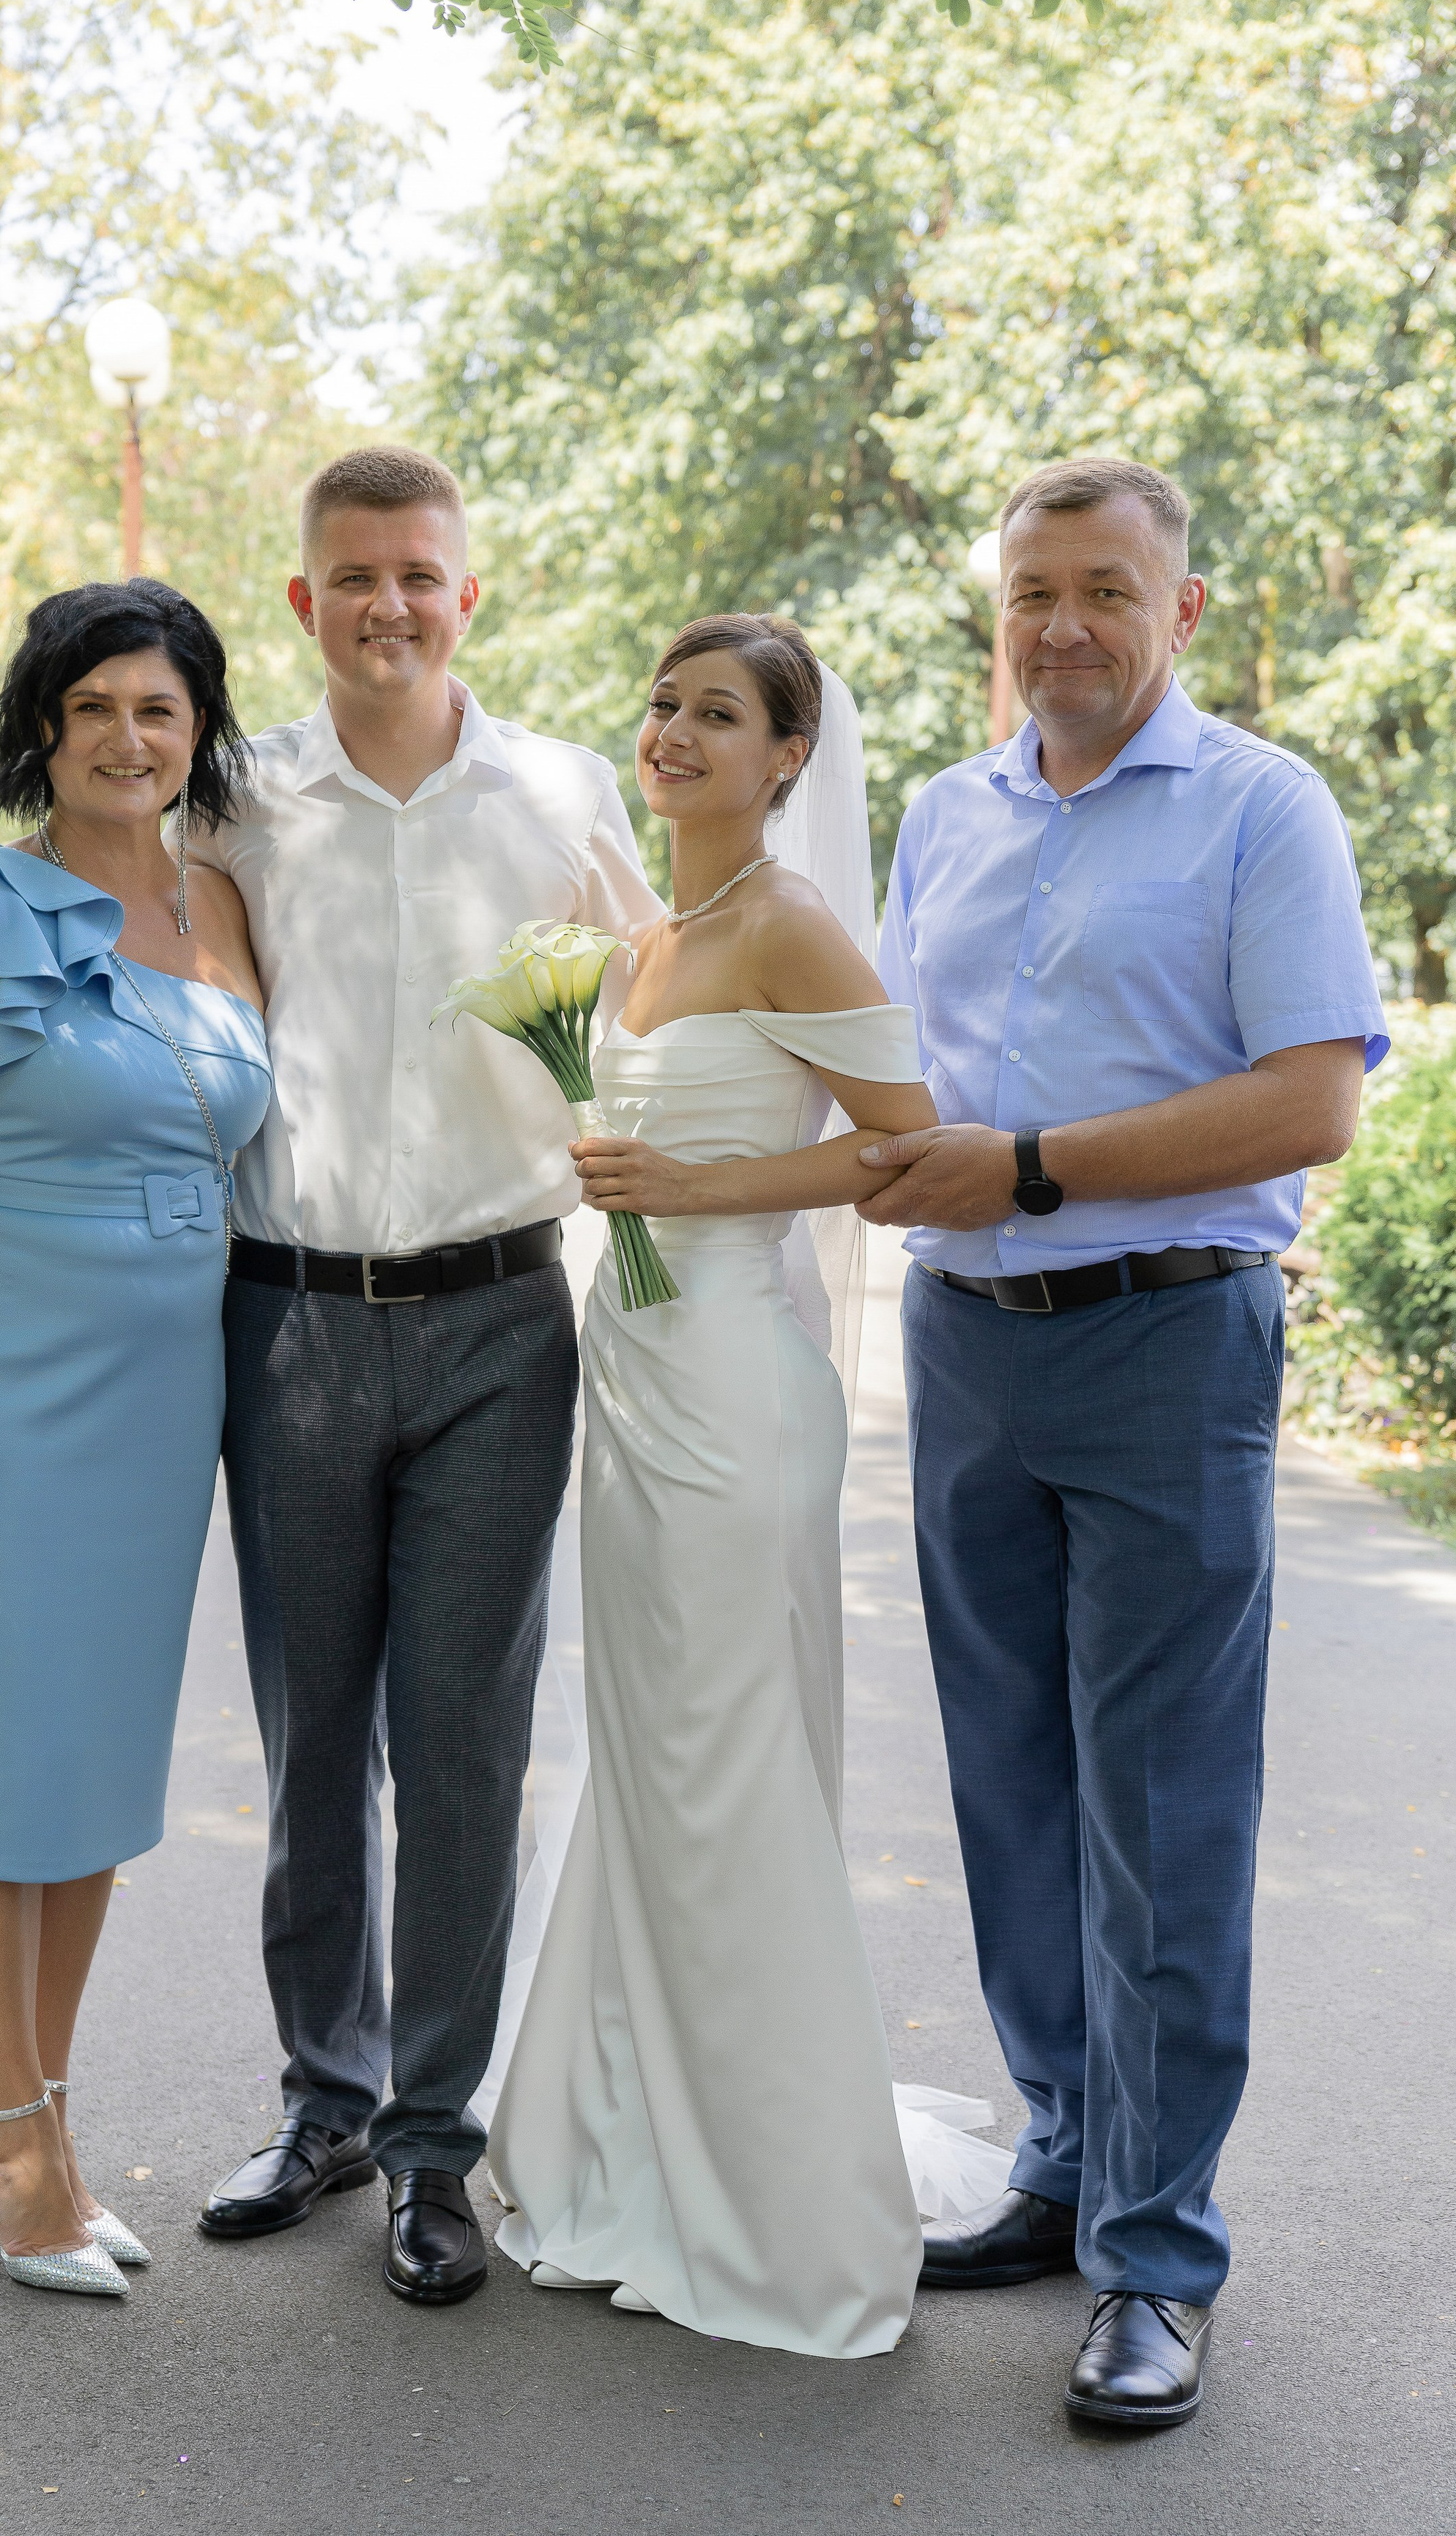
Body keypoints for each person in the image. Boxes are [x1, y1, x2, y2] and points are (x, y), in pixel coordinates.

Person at [858, 458, 1388, 2426]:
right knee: (1008, 1784)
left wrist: (1032, 1166)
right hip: (964, 1348)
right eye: (1033, 592)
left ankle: (1157, 2257)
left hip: (1168, 1339)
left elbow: (1311, 1101)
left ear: (1177, 606)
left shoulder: (1262, 806)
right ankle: (1067, 2158)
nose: (1062, 625)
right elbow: (882, 1075)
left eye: (1102, 589)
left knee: (1160, 1811)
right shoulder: (945, 813)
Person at [487, 614, 1008, 2357]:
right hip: (629, 1381)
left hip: (728, 1384)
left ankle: (765, 2192)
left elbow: (902, 1139)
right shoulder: (641, 943)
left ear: (788, 757)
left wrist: (689, 1194)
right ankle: (629, 2136)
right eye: (662, 704)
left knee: (722, 1760)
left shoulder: (786, 920)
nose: (673, 733)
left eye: (717, 714)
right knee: (646, 1755)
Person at [190, 446, 664, 2305]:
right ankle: (322, 2101)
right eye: (352, 575)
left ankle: (429, 2145)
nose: (386, 603)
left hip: (494, 1325)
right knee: (312, 1743)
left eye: (418, 573)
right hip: (289, 1321)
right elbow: (166, 1005)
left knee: (458, 1746)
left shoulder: (559, 791)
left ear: (468, 593)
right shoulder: (234, 797)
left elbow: (661, 990)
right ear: (300, 600)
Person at [0, 579, 272, 2299]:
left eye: (157, 709)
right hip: (8, 1384)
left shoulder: (221, 905)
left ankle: (51, 2122)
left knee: (90, 1767)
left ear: (196, 730)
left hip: (171, 1393)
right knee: (2, 1756)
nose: (126, 737)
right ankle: (13, 2142)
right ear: (42, 727)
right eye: (92, 707)